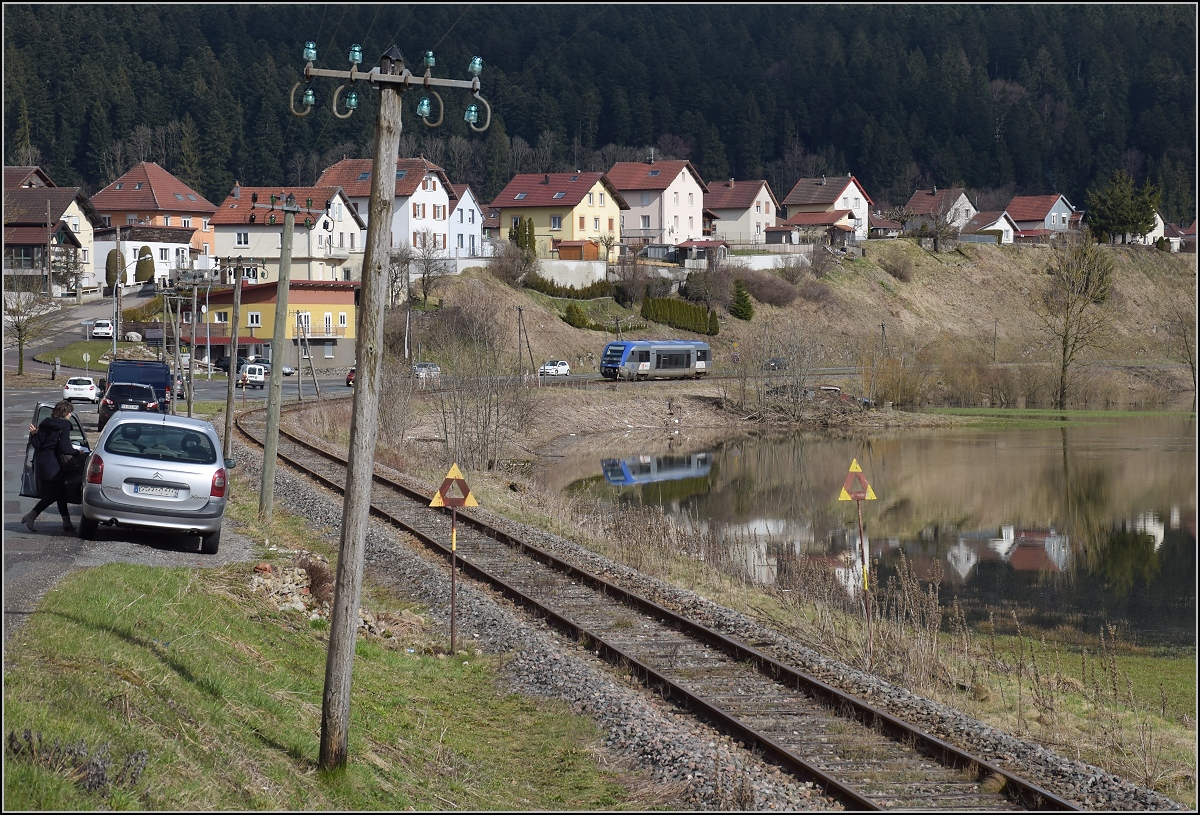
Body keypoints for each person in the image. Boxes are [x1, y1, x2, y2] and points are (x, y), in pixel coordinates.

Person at [22, 400, 84, 534]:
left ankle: (67, 523)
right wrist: (77, 452)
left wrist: (34, 434)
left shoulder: (45, 424)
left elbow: (37, 444)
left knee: (60, 492)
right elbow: (64, 447)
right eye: (69, 413)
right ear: (66, 413)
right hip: (54, 464)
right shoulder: (65, 426)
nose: (70, 415)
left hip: (42, 463)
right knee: (54, 494)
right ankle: (31, 516)